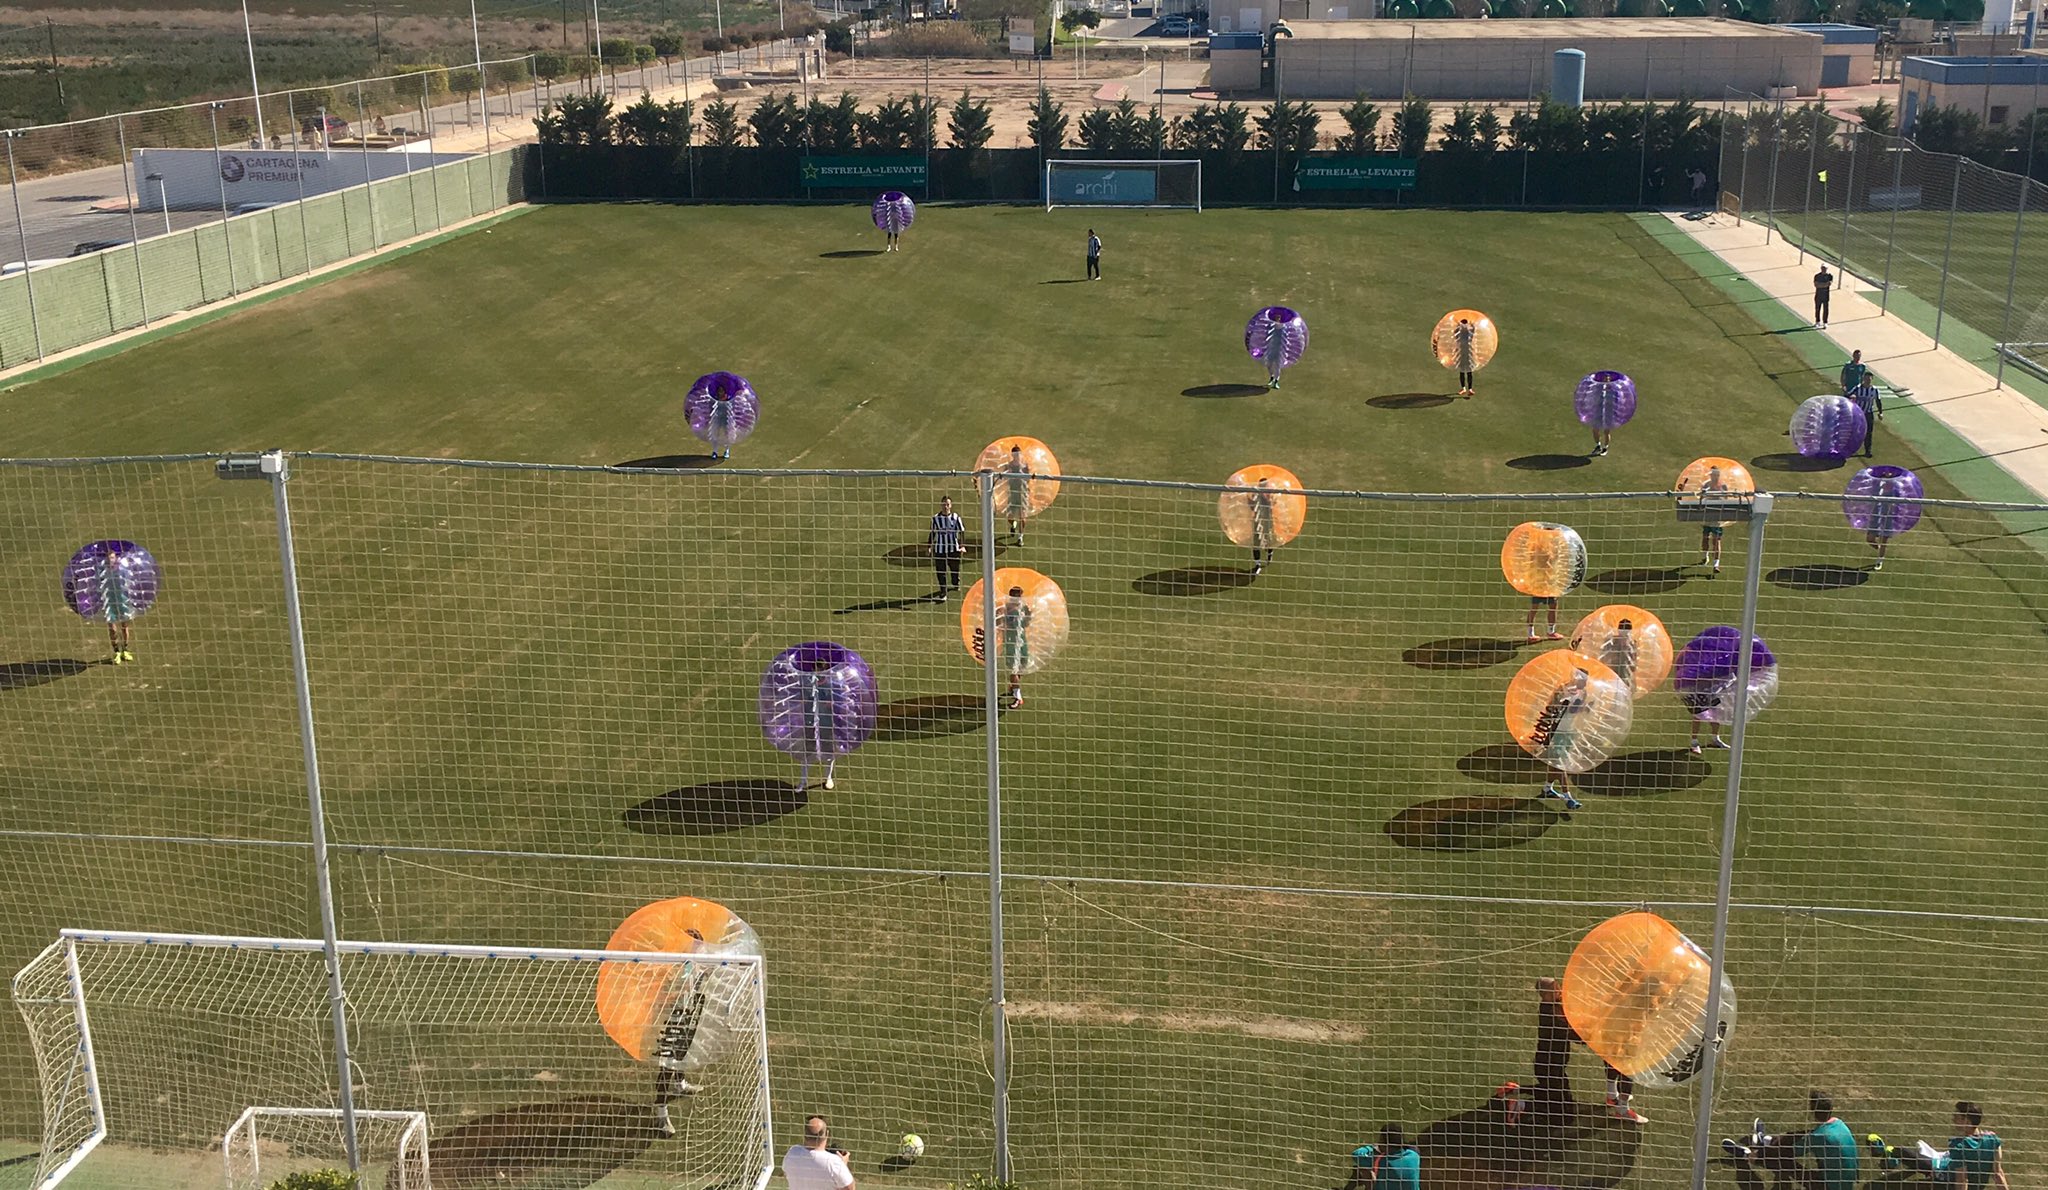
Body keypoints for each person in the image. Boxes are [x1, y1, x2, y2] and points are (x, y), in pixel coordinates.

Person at [1499, 977, 1642, 1127]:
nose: (1559, 990)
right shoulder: (1549, 1015)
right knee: (1563, 1114)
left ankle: (1515, 1090)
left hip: (1555, 1066)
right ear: (1546, 995)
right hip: (1549, 1067)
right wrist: (1595, 1033)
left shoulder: (1555, 1005)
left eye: (1558, 986)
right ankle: (1520, 1106)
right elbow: (1573, 1035)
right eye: (1555, 989)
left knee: (1557, 1095)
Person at [1722, 1090, 1860, 1190]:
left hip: (1828, 1186)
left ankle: (1748, 1154)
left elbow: (1788, 1152)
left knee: (1787, 1163)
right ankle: (1764, 1140)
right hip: (1848, 1181)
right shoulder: (1840, 1124)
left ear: (1812, 1111)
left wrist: (1759, 1154)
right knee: (1797, 1138)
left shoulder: (1819, 1136)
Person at [1867, 1100, 2009, 1188]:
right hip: (1954, 1174)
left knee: (1903, 1153)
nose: (1953, 1119)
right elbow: (1998, 1174)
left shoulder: (1961, 1146)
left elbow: (1961, 1181)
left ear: (1966, 1121)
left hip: (1944, 1180)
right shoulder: (1993, 1140)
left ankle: (1889, 1153)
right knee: (1921, 1158)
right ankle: (1892, 1157)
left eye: (1957, 1117)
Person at [1529, 667, 1590, 811]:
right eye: (1584, 680)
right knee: (1560, 764)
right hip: (1558, 732)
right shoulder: (1565, 690)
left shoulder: (1583, 692)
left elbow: (1574, 712)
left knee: (1555, 763)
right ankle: (1568, 798)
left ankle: (1547, 788)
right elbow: (1558, 707)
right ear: (1578, 678)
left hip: (1569, 731)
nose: (1586, 683)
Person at [1678, 463, 1729, 578]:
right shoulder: (1706, 485)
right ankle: (1705, 557)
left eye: (1716, 475)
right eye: (1712, 475)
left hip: (1717, 517)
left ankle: (1716, 564)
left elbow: (1726, 499)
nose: (1714, 477)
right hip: (1706, 516)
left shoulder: (1723, 486)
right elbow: (1700, 497)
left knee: (1716, 540)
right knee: (1705, 538)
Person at [783, 1116, 856, 1190]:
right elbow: (850, 1188)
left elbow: (787, 1173)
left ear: (805, 1135)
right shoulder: (834, 1163)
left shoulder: (793, 1153)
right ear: (827, 1133)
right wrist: (843, 1166)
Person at [1344, 1123, 1421, 1190]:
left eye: (1380, 1141)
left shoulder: (1382, 1161)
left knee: (1363, 1170)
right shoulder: (1414, 1156)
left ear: (1387, 1144)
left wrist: (1373, 1148)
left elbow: (1356, 1154)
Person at [997, 584, 1033, 709]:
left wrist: (1028, 615)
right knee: (1014, 669)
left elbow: (1026, 623)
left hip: (1021, 641)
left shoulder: (1024, 608)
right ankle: (1018, 697)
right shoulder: (1005, 609)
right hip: (1011, 642)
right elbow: (998, 623)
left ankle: (1013, 687)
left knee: (1021, 666)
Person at [929, 495, 966, 601]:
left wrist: (962, 546)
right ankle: (943, 592)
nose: (946, 507)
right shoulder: (935, 518)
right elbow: (932, 533)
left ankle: (955, 581)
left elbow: (962, 531)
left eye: (948, 504)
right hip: (940, 550)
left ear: (951, 506)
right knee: (941, 572)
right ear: (941, 505)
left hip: (953, 549)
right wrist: (929, 547)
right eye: (944, 504)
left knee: (954, 569)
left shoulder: (955, 517)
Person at [998, 444, 1033, 544]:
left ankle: (1020, 537)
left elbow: (1029, 479)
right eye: (1015, 454)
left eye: (1018, 454)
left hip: (1022, 494)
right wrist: (1007, 473)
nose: (1017, 456)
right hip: (1012, 494)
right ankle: (1013, 524)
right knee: (1010, 516)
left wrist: (1024, 476)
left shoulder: (1025, 466)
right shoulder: (1009, 466)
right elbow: (1003, 478)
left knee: (1023, 516)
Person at [1848, 372, 1883, 459]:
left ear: (1872, 380)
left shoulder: (1875, 390)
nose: (1867, 381)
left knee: (1868, 433)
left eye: (1869, 379)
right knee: (1855, 431)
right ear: (1863, 379)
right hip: (1858, 414)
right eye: (1866, 379)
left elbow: (1878, 401)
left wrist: (1880, 412)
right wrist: (1851, 397)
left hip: (1868, 413)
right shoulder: (1857, 388)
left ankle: (1868, 451)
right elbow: (1847, 395)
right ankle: (1851, 449)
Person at [1246, 477, 1277, 574]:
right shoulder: (1256, 494)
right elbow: (1252, 507)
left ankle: (1269, 554)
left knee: (1269, 539)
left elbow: (1272, 504)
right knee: (1256, 543)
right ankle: (1257, 564)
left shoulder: (1269, 494)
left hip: (1268, 520)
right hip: (1257, 520)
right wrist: (1249, 499)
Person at [1450, 316, 1479, 397]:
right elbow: (1455, 333)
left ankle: (1469, 388)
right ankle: (1464, 388)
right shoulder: (1460, 334)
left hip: (1468, 355)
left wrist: (1471, 324)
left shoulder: (1468, 334)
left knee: (1468, 372)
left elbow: (1473, 330)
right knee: (1463, 372)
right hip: (1462, 354)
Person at [1813, 264, 1834, 328]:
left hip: (1826, 295)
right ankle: (1817, 321)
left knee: (1826, 309)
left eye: (1825, 268)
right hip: (1818, 295)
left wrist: (1821, 285)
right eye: (1822, 268)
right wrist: (1824, 285)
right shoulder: (1817, 276)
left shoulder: (1829, 276)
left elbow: (1829, 284)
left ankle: (1825, 322)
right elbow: (1816, 285)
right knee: (1817, 309)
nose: (1823, 269)